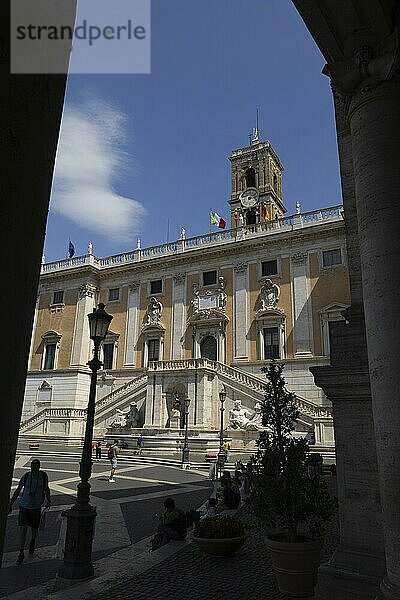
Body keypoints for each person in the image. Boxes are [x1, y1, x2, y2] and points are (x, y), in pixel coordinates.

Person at [9, 459, 51, 564]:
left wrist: (49, 500)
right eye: (33, 466)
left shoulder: (43, 477)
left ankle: (32, 541)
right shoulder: (26, 476)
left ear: (39, 466)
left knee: (34, 529)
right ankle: (21, 552)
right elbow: (18, 490)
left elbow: (46, 489)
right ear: (31, 467)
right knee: (23, 529)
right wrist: (10, 504)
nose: (34, 468)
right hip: (24, 506)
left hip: (36, 507)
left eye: (36, 466)